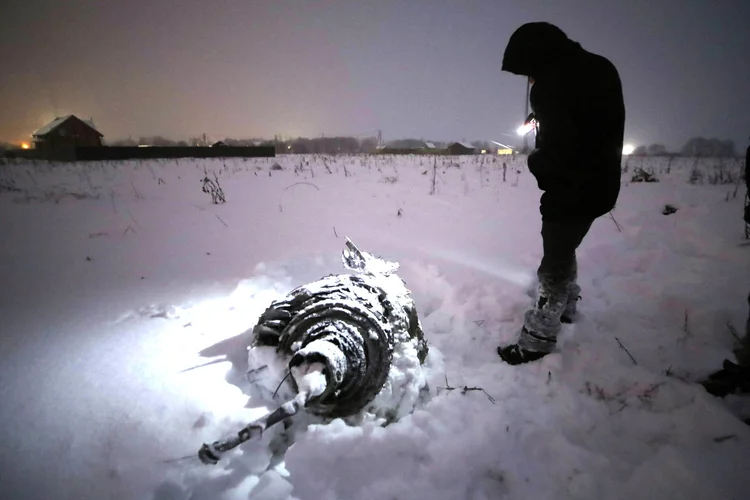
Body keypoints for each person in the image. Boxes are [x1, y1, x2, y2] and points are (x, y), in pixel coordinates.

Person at [497, 22, 626, 365]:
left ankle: (538, 339)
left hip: (570, 187)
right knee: (565, 246)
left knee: (553, 262)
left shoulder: (552, 85)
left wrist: (538, 163)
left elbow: (560, 146)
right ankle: (567, 307)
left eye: (527, 72)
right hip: (602, 183)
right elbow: (590, 121)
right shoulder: (600, 67)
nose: (528, 80)